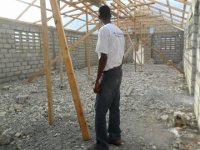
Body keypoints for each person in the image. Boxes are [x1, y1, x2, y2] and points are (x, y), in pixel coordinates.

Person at [87, 5, 125, 150]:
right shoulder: (119, 31)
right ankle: (115, 137)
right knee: (114, 107)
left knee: (99, 110)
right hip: (118, 71)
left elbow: (103, 56)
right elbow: (121, 54)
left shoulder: (104, 30)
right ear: (111, 15)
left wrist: (97, 80)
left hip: (109, 74)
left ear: (99, 16)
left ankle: (101, 145)